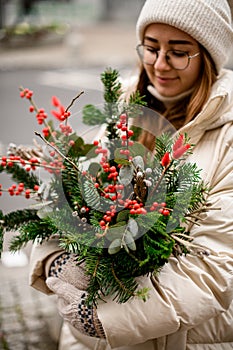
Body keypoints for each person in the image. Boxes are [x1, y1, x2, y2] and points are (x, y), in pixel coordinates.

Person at [29, 0, 233, 349]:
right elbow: (69, 199)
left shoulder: (226, 136)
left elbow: (215, 267)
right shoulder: (124, 110)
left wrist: (106, 318)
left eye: (179, 52)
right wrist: (55, 262)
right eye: (151, 48)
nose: (159, 64)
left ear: (208, 57)